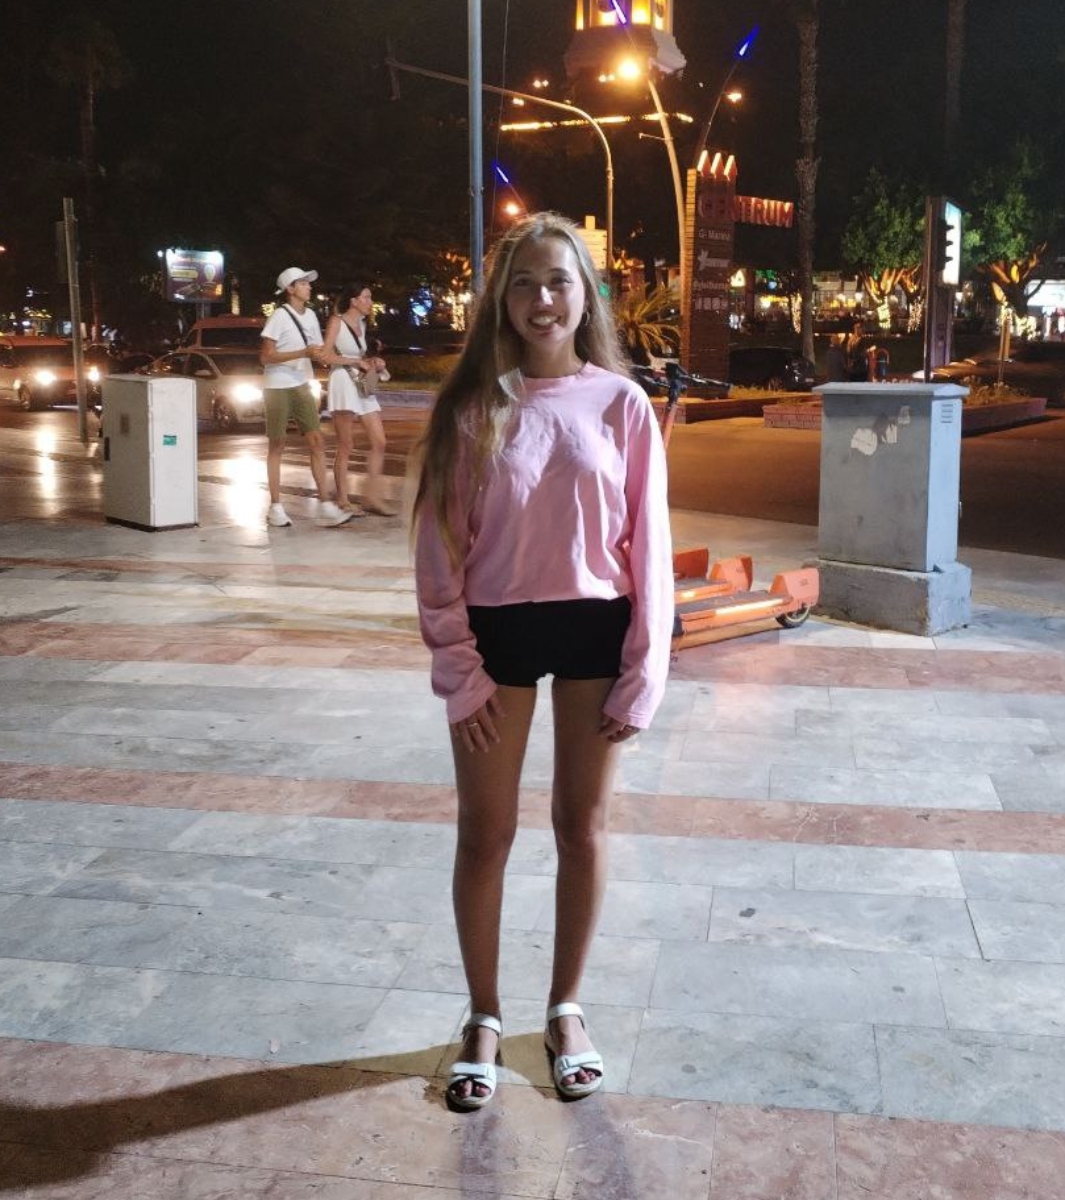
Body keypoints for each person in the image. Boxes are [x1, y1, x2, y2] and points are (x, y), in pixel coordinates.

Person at [412, 212, 674, 1110]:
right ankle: (483, 1016)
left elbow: (649, 546)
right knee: (484, 834)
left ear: (586, 295)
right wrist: (458, 667)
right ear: (501, 299)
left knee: (580, 828)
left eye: (558, 280)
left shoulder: (621, 404)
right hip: (497, 639)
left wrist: (644, 671)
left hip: (596, 628)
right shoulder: (472, 407)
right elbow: (439, 550)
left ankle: (565, 1009)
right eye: (523, 282)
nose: (541, 299)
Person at [259, 267, 353, 528]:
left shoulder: (311, 315)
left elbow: (317, 350)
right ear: (290, 289)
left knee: (316, 441)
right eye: (303, 283)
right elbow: (266, 356)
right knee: (277, 444)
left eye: (308, 283)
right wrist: (302, 353)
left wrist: (342, 358)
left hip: (302, 383)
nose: (309, 287)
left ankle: (325, 504)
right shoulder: (279, 316)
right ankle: (275, 506)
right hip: (277, 385)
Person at [321, 284, 396, 516]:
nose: (370, 302)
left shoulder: (362, 325)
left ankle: (371, 497)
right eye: (367, 297)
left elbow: (359, 355)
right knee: (346, 444)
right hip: (343, 382)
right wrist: (353, 361)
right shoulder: (337, 321)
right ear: (354, 301)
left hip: (361, 383)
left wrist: (373, 362)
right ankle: (343, 500)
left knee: (379, 441)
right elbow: (325, 356)